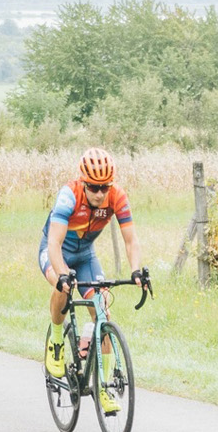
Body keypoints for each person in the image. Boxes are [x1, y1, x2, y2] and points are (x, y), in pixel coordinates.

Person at [38, 148, 147, 416]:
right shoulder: (69, 195)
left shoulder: (117, 197)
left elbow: (131, 239)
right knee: (61, 286)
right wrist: (62, 273)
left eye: (105, 187)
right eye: (94, 187)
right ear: (83, 182)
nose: (100, 193)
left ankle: (103, 388)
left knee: (102, 309)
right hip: (57, 251)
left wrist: (136, 271)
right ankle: (56, 343)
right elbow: (54, 242)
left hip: (86, 255)